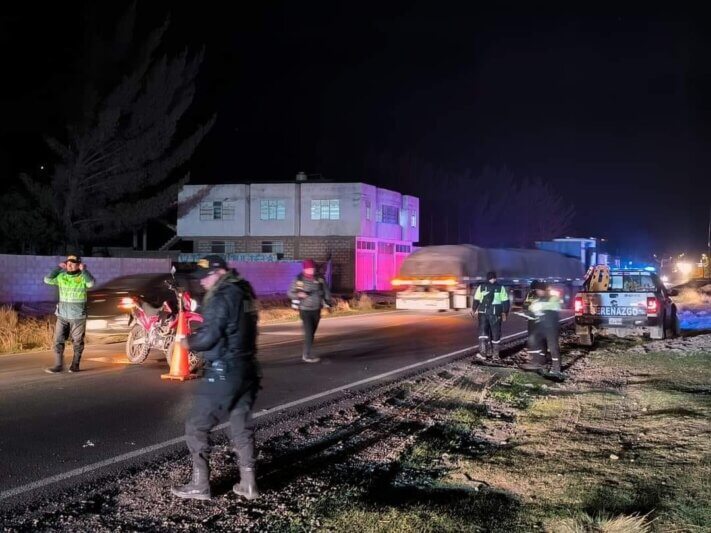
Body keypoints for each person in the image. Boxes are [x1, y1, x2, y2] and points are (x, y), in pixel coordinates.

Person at [171, 255, 261, 501]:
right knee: (241, 425)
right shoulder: (244, 290)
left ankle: (200, 485)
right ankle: (249, 484)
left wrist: (186, 341)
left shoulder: (222, 296)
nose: (202, 283)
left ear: (219, 272)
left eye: (206, 277)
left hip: (224, 371)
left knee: (196, 425)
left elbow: (209, 337)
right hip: (248, 368)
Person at [44, 254, 95, 373]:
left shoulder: (83, 277)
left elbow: (91, 283)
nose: (70, 264)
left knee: (77, 342)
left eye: (73, 262)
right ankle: (58, 365)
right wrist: (57, 268)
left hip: (78, 316)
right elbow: (47, 280)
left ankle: (75, 365)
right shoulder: (61, 276)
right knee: (58, 340)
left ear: (79, 264)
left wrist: (85, 271)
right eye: (68, 262)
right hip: (62, 315)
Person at [287, 259, 333, 363]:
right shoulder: (299, 279)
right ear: (304, 269)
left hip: (317, 309)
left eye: (312, 268)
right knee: (308, 333)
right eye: (309, 269)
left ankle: (307, 352)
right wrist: (298, 295)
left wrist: (328, 304)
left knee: (311, 332)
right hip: (305, 310)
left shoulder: (320, 279)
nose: (311, 270)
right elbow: (290, 293)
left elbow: (326, 291)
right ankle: (306, 355)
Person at [522, 280, 563, 378]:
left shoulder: (553, 298)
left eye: (539, 290)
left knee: (553, 347)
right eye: (537, 290)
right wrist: (528, 312)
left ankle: (556, 368)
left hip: (551, 327)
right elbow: (530, 307)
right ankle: (539, 362)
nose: (538, 292)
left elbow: (556, 306)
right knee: (537, 343)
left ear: (544, 290)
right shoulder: (536, 299)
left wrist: (541, 306)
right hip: (541, 326)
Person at [471, 271, 510, 360]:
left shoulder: (481, 287)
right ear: (495, 278)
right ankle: (495, 355)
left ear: (487, 278)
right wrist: (505, 312)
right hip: (496, 313)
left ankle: (483, 354)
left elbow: (476, 300)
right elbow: (506, 301)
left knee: (483, 333)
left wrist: (473, 310)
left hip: (483, 313)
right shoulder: (501, 288)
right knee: (496, 334)